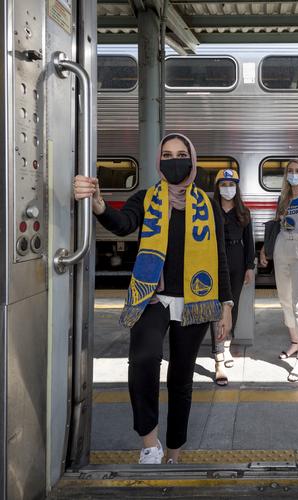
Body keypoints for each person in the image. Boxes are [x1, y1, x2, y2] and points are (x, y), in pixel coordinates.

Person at [73, 133, 233, 464]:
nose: (174, 161)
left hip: (195, 301)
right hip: (152, 297)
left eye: (181, 154)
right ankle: (149, 444)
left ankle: (173, 452)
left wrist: (226, 305)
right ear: (159, 162)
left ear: (192, 160)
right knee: (143, 359)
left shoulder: (208, 206)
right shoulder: (146, 198)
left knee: (181, 379)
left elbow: (220, 257)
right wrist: (100, 205)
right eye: (167, 155)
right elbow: (122, 224)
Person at [260, 159, 298, 382]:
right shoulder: (283, 198)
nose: (293, 174)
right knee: (285, 300)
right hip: (281, 247)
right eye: (290, 171)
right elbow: (277, 225)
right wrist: (264, 249)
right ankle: (294, 342)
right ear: (286, 175)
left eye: (297, 171)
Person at [209, 169, 255, 386]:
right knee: (216, 307)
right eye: (223, 184)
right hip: (216, 258)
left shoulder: (243, 211)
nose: (227, 188)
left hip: (237, 259)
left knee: (231, 305)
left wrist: (249, 266)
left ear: (237, 187)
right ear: (217, 187)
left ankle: (226, 346)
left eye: (231, 184)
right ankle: (218, 354)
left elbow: (249, 241)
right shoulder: (210, 209)